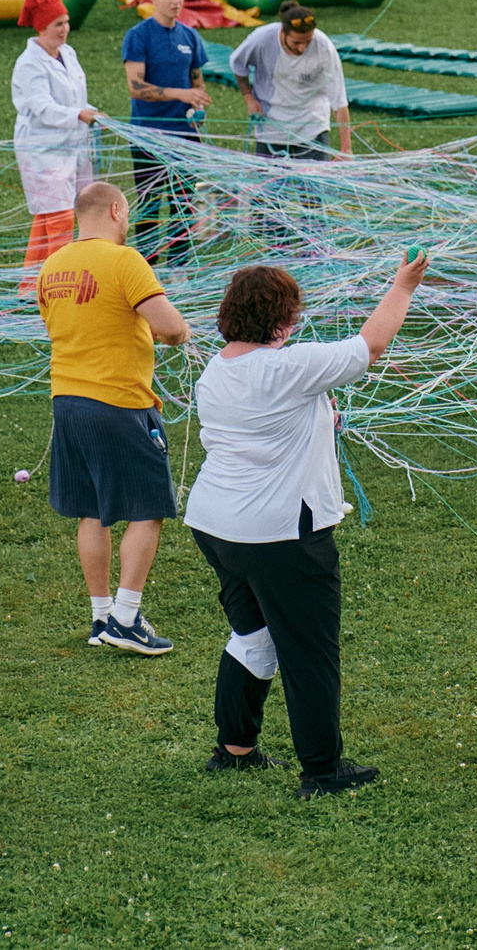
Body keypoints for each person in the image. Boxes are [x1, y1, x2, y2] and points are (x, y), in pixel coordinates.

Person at [183, 251, 430, 797]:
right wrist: (404, 285)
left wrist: (322, 417)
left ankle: (235, 749)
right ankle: (321, 770)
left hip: (216, 524)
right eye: (292, 316)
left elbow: (270, 421)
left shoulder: (218, 370)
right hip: (278, 535)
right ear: (279, 322)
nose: (296, 325)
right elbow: (371, 346)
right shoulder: (287, 368)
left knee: (252, 635)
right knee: (308, 648)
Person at [36, 181, 192, 655]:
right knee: (149, 508)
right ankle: (126, 618)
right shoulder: (125, 261)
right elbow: (169, 328)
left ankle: (101, 615)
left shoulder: (51, 267)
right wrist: (181, 330)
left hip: (67, 401)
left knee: (92, 510)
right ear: (117, 210)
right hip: (120, 401)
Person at [12, 0, 100, 291]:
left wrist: (90, 113)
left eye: (66, 22)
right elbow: (42, 107)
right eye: (57, 25)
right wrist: (78, 114)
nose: (65, 30)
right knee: (59, 217)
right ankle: (57, 284)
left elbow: (77, 96)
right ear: (42, 28)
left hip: (73, 143)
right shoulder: (29, 63)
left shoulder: (68, 53)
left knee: (48, 215)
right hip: (43, 147)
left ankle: (29, 284)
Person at [121, 0, 211, 261]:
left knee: (183, 202)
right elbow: (136, 87)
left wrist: (197, 104)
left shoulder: (190, 36)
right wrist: (179, 93)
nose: (177, 1)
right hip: (148, 134)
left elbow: (196, 81)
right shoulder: (138, 36)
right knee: (150, 202)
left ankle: (179, 262)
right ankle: (145, 263)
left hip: (185, 135)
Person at [231, 2, 353, 159]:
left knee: (314, 182)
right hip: (271, 127)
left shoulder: (324, 47)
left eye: (307, 42)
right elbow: (238, 64)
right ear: (283, 32)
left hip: (312, 126)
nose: (302, 48)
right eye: (296, 43)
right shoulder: (261, 39)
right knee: (268, 183)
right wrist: (248, 97)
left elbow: (339, 101)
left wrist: (346, 149)